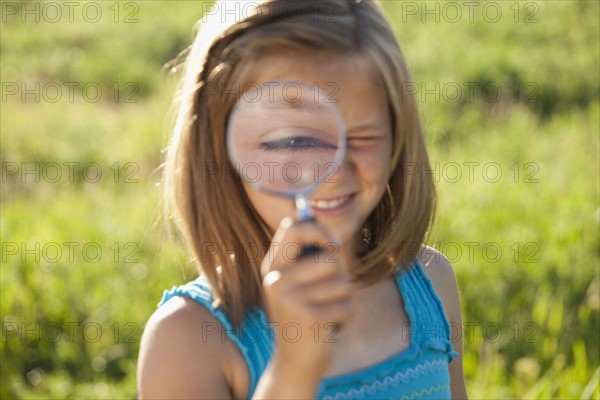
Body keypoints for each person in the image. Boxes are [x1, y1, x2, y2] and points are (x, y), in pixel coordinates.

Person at [137, 0, 468, 398]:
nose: (332, 171)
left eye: (362, 136)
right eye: (293, 140)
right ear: (220, 151)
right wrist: (293, 370)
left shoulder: (430, 282)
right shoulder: (188, 339)